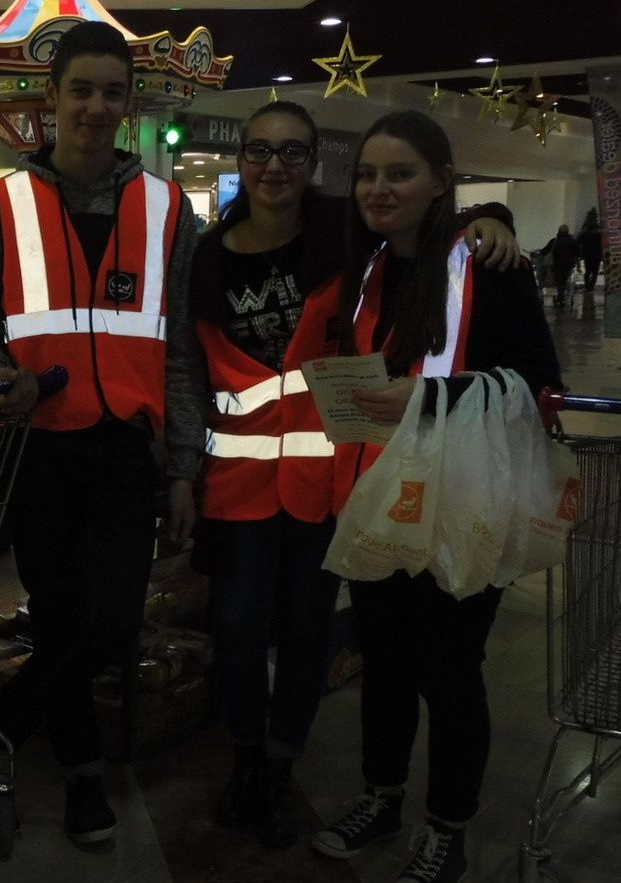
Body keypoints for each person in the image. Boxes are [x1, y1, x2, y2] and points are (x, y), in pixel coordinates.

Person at [189, 101, 520, 848]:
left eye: (293, 152)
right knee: (243, 631)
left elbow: (428, 233)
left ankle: (288, 768)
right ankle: (257, 762)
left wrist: (490, 217)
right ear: (240, 159)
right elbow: (188, 365)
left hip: (339, 483)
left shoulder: (343, 241)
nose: (275, 165)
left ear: (313, 165)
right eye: (259, 150)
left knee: (321, 636)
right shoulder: (209, 256)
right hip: (245, 480)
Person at [0, 21, 206, 846]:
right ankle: (84, 773)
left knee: (113, 621)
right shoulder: (2, 203)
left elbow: (179, 349)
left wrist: (184, 465)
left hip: (127, 447)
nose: (97, 107)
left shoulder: (168, 210)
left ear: (130, 104)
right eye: (82, 90)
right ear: (52, 97)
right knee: (61, 615)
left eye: (112, 92)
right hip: (38, 445)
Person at [302, 110, 561, 883]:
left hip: (462, 505)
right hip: (379, 501)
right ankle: (382, 797)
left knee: (449, 671)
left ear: (442, 181)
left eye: (400, 173)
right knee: (383, 664)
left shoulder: (488, 266)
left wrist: (430, 397)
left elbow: (541, 387)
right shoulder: (366, 270)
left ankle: (448, 827)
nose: (379, 189)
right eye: (367, 174)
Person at [540, 224, 580, 306]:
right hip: (568, 265)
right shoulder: (572, 241)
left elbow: (545, 251)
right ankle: (561, 297)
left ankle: (560, 298)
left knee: (559, 282)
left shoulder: (555, 241)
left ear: (559, 231)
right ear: (567, 231)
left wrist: (539, 253)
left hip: (557, 265)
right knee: (565, 280)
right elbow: (577, 252)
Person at [578, 209, 603, 291]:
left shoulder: (584, 234)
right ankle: (591, 286)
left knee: (588, 271)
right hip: (597, 256)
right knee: (595, 272)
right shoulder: (599, 235)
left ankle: (587, 285)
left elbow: (578, 242)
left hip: (587, 255)